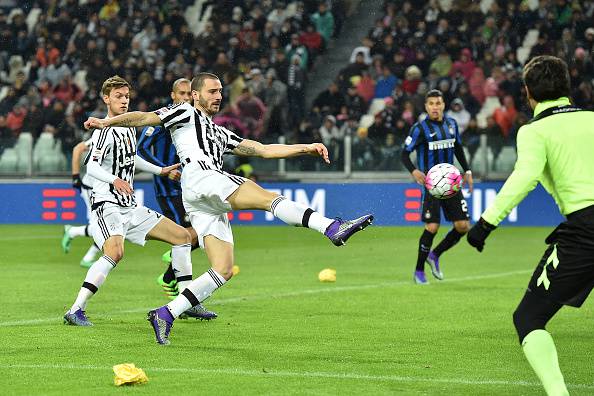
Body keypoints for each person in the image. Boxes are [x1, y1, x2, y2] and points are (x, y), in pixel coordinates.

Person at [83, 72, 373, 344]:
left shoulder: (219, 133)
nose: (218, 96)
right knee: (266, 197)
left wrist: (305, 147)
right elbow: (144, 117)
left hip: (200, 200)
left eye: (221, 91)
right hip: (202, 177)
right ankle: (331, 227)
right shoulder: (183, 112)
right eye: (212, 91)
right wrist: (106, 122)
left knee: (223, 269)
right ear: (195, 95)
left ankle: (166, 313)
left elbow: (262, 149)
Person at [467, 55, 594, 396]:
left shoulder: (534, 131)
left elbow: (525, 177)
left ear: (528, 93)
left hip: (586, 231)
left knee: (529, 318)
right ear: (567, 86)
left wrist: (485, 223)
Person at [63, 75, 200, 326]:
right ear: (106, 99)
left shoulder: (127, 129)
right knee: (115, 253)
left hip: (130, 206)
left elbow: (132, 159)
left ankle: (186, 301)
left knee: (182, 237)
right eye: (118, 96)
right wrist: (114, 180)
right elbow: (92, 166)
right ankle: (75, 310)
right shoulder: (104, 130)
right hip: (107, 204)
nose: (124, 101)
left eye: (126, 96)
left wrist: (161, 171)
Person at [136, 78, 217, 321]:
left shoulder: (195, 118)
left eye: (187, 94)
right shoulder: (164, 119)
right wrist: (164, 169)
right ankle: (179, 288)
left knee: (197, 234)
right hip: (168, 188)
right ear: (173, 95)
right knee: (189, 235)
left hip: (189, 186)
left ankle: (173, 277)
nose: (184, 98)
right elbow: (140, 149)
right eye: (180, 94)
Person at [401, 89, 473, 285]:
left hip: (451, 183)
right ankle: (418, 271)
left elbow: (458, 147)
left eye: (438, 103)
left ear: (443, 105)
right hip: (433, 186)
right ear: (426, 106)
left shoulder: (451, 124)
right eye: (431, 103)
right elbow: (404, 154)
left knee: (463, 226)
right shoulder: (419, 129)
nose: (435, 107)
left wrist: (467, 171)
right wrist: (414, 171)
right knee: (432, 227)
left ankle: (435, 255)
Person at [61, 138, 101, 268]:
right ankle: (72, 232)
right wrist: (75, 176)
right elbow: (77, 149)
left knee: (110, 227)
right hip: (92, 188)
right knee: (102, 228)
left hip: (105, 189)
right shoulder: (102, 133)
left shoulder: (123, 135)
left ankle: (87, 257)